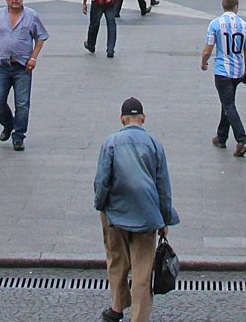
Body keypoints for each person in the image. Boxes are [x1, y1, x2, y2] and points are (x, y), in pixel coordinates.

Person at [94, 96, 179, 322]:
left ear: (121, 119)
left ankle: (117, 307)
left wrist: (100, 205)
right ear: (143, 118)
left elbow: (102, 181)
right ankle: (139, 318)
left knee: (116, 260)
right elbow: (163, 185)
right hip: (147, 215)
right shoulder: (154, 144)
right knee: (142, 272)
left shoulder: (111, 142)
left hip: (116, 213)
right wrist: (165, 219)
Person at [0, 0, 48, 150]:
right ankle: (8, 124)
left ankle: (18, 136)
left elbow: (40, 37)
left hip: (22, 67)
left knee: (22, 104)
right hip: (2, 65)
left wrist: (33, 57)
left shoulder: (31, 15)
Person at [200, 0, 246, 157]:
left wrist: (204, 61)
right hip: (237, 71)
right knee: (227, 102)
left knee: (228, 104)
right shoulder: (245, 26)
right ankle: (221, 137)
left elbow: (208, 49)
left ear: (223, 6)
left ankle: (242, 139)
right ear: (236, 7)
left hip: (222, 70)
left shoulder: (215, 24)